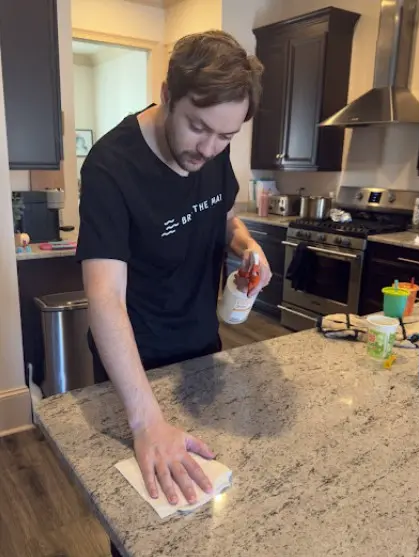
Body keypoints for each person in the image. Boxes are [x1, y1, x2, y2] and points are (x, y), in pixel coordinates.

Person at [76, 29, 271, 518]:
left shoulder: (214, 147)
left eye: (225, 136)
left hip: (203, 352)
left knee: (208, 508)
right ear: (167, 94)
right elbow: (105, 298)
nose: (208, 149)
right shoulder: (110, 167)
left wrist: (248, 246)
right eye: (197, 127)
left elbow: (223, 216)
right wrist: (145, 421)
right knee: (147, 514)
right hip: (135, 370)